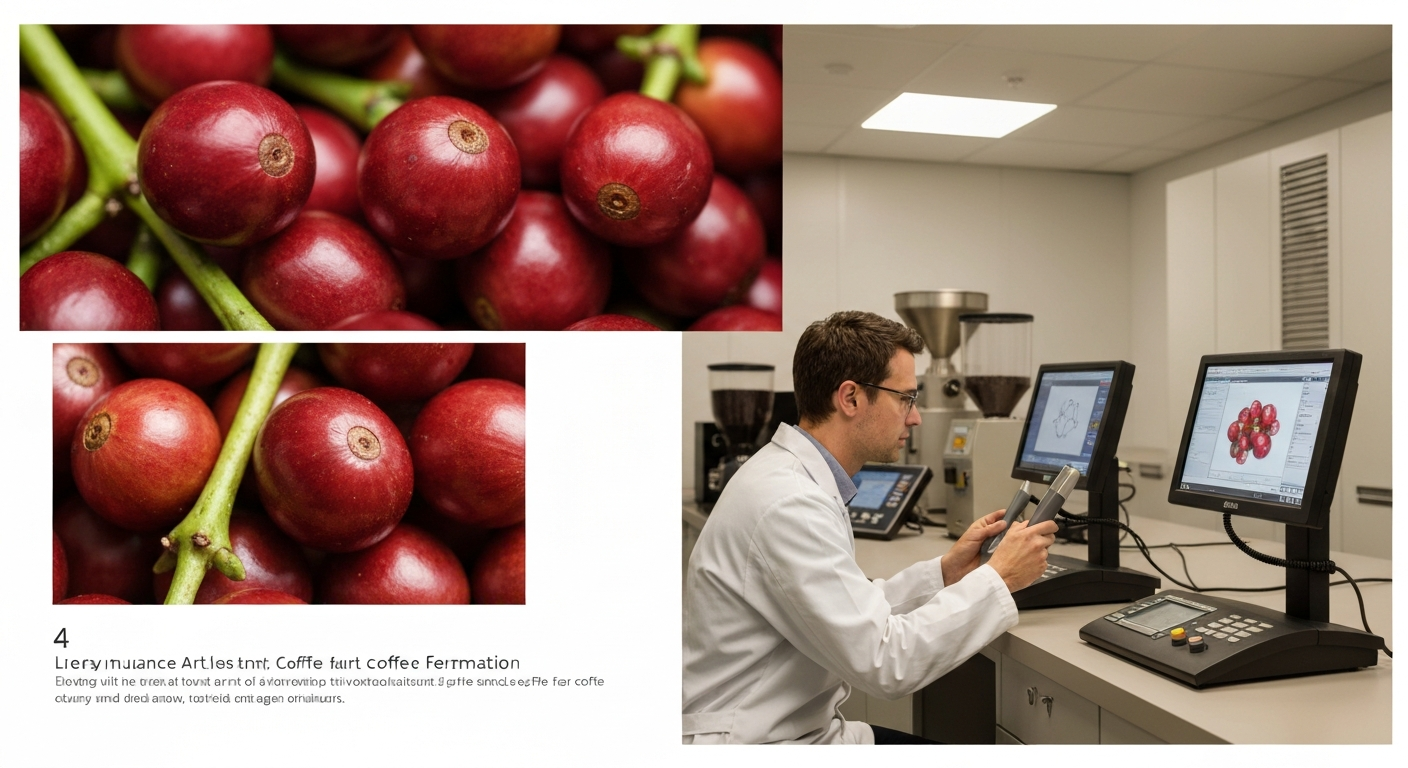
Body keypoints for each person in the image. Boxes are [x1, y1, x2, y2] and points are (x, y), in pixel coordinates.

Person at [682, 310, 1058, 744]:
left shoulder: (795, 479)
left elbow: (849, 609)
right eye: (906, 399)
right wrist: (999, 577)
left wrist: (947, 572)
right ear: (851, 398)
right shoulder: (789, 503)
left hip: (790, 730)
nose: (914, 419)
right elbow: (884, 663)